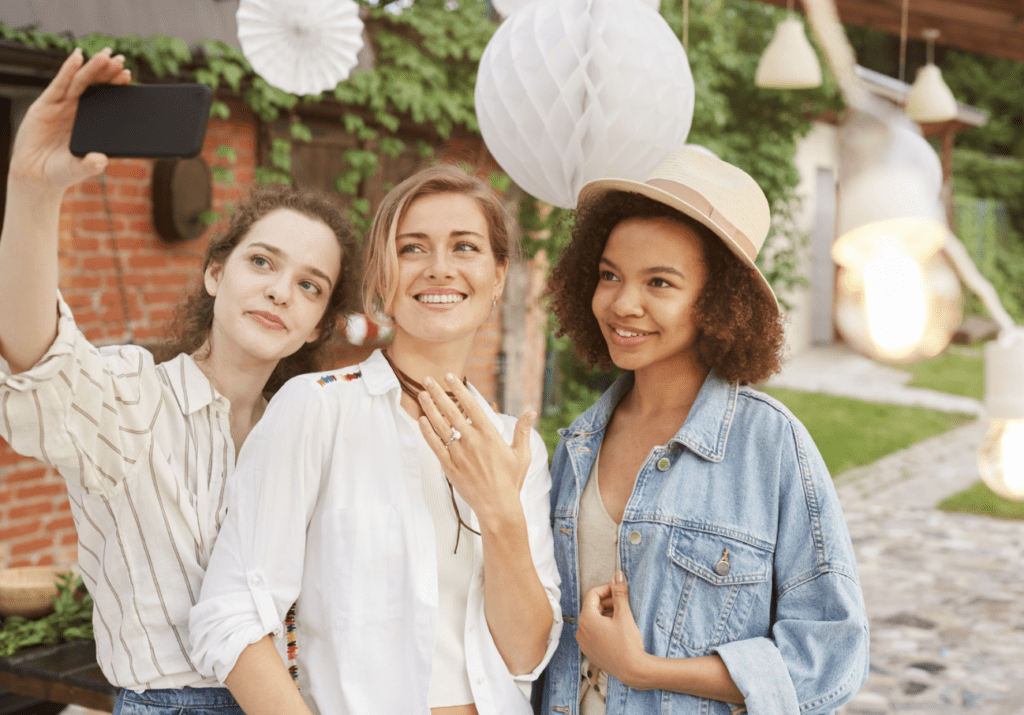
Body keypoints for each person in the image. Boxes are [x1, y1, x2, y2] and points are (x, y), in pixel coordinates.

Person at [0, 48, 361, 715]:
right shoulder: (135, 398)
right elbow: (35, 359)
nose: (281, 291)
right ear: (216, 274)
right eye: (262, 262)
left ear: (317, 325)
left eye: (309, 285)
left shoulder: (311, 424)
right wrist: (32, 188)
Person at [189, 164, 562, 715]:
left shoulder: (515, 446)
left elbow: (526, 657)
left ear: (499, 276)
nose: (440, 269)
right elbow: (230, 615)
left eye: (465, 247)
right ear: (382, 277)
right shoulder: (318, 407)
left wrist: (501, 511)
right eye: (413, 248)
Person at [538, 148, 870, 715]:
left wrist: (643, 670)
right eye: (609, 275)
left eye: (660, 283)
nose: (622, 303)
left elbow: (829, 656)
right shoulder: (575, 448)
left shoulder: (771, 447)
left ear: (717, 303)